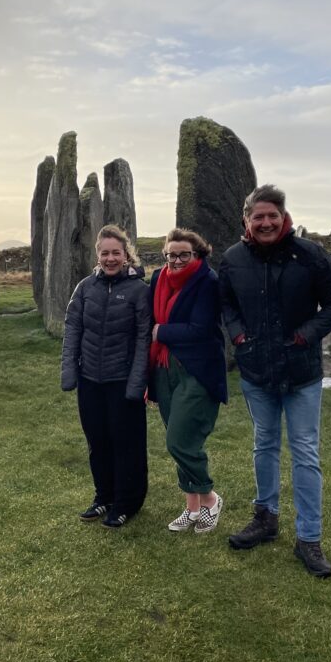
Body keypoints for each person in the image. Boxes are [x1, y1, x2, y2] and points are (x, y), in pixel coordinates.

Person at [220, 185, 331, 577]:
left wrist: (304, 335)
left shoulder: (309, 255)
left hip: (301, 372)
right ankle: (266, 517)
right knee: (264, 443)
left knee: (305, 451)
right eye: (257, 216)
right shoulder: (232, 259)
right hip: (256, 369)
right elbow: (226, 304)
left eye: (271, 215)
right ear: (246, 220)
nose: (265, 222)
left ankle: (309, 538)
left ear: (283, 217)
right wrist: (239, 335)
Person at [61, 225, 151, 529]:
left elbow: (143, 340)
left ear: (126, 255)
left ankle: (127, 502)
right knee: (97, 441)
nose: (110, 258)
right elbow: (72, 329)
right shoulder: (85, 288)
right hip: (91, 379)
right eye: (105, 253)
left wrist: (137, 383)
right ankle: (104, 496)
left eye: (116, 252)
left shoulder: (140, 290)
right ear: (97, 254)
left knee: (127, 443)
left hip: (122, 380)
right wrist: (70, 371)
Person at [149, 228, 228, 534]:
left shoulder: (207, 281)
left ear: (197, 254)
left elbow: (200, 328)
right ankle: (192, 508)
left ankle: (209, 498)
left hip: (197, 370)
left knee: (179, 441)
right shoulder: (157, 279)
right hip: (164, 368)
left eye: (184, 254)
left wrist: (161, 332)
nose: (177, 260)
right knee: (178, 438)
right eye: (172, 254)